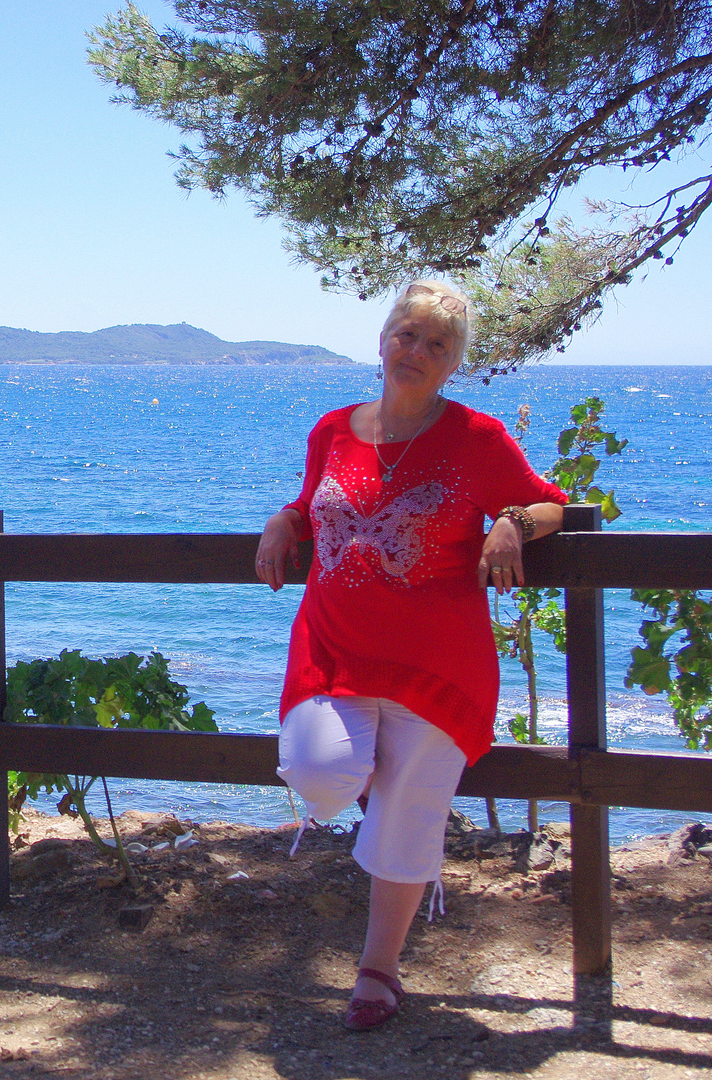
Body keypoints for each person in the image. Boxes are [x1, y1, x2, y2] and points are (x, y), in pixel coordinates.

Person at [254, 280, 568, 1031]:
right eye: (407, 335)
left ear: (453, 363)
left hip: (438, 665)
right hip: (335, 652)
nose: (416, 352)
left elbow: (551, 499)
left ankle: (378, 969)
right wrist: (280, 520)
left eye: (437, 344)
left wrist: (513, 524)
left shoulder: (477, 438)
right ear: (384, 339)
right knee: (320, 769)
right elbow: (313, 505)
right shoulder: (333, 429)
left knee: (408, 814)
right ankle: (379, 792)